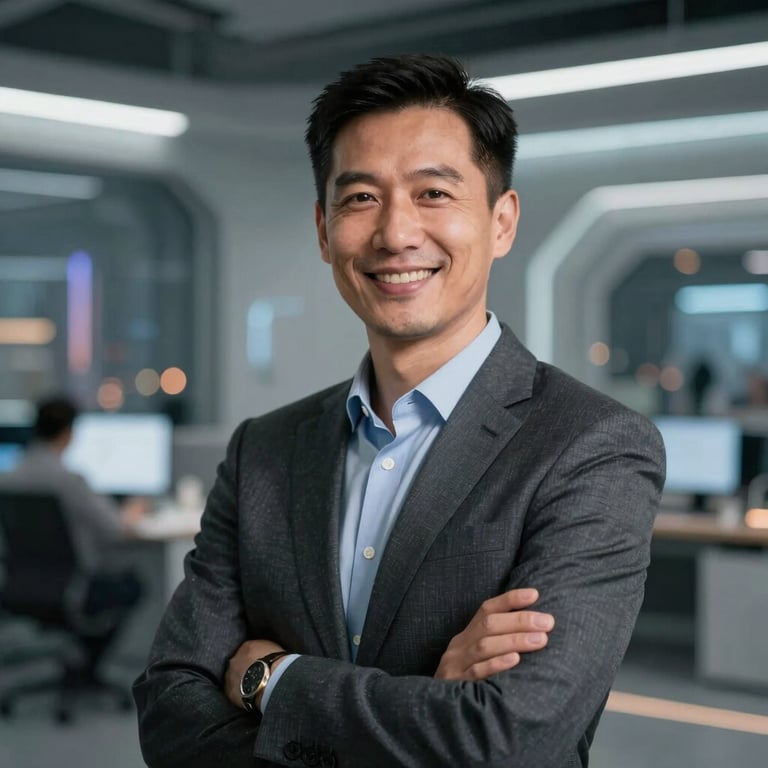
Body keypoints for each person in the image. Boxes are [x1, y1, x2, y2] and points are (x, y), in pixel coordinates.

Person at [133, 55, 665, 768]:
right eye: (360, 198)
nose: (395, 233)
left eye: (433, 193)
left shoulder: (592, 445)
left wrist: (271, 677)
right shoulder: (264, 450)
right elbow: (169, 709)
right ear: (324, 230)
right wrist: (425, 710)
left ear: (502, 222)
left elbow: (513, 740)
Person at [0, 395, 146, 613]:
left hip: (20, 584)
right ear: (68, 433)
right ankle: (93, 636)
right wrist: (133, 512)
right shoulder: (69, 481)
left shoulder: (8, 478)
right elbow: (114, 528)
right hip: (73, 587)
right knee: (133, 584)